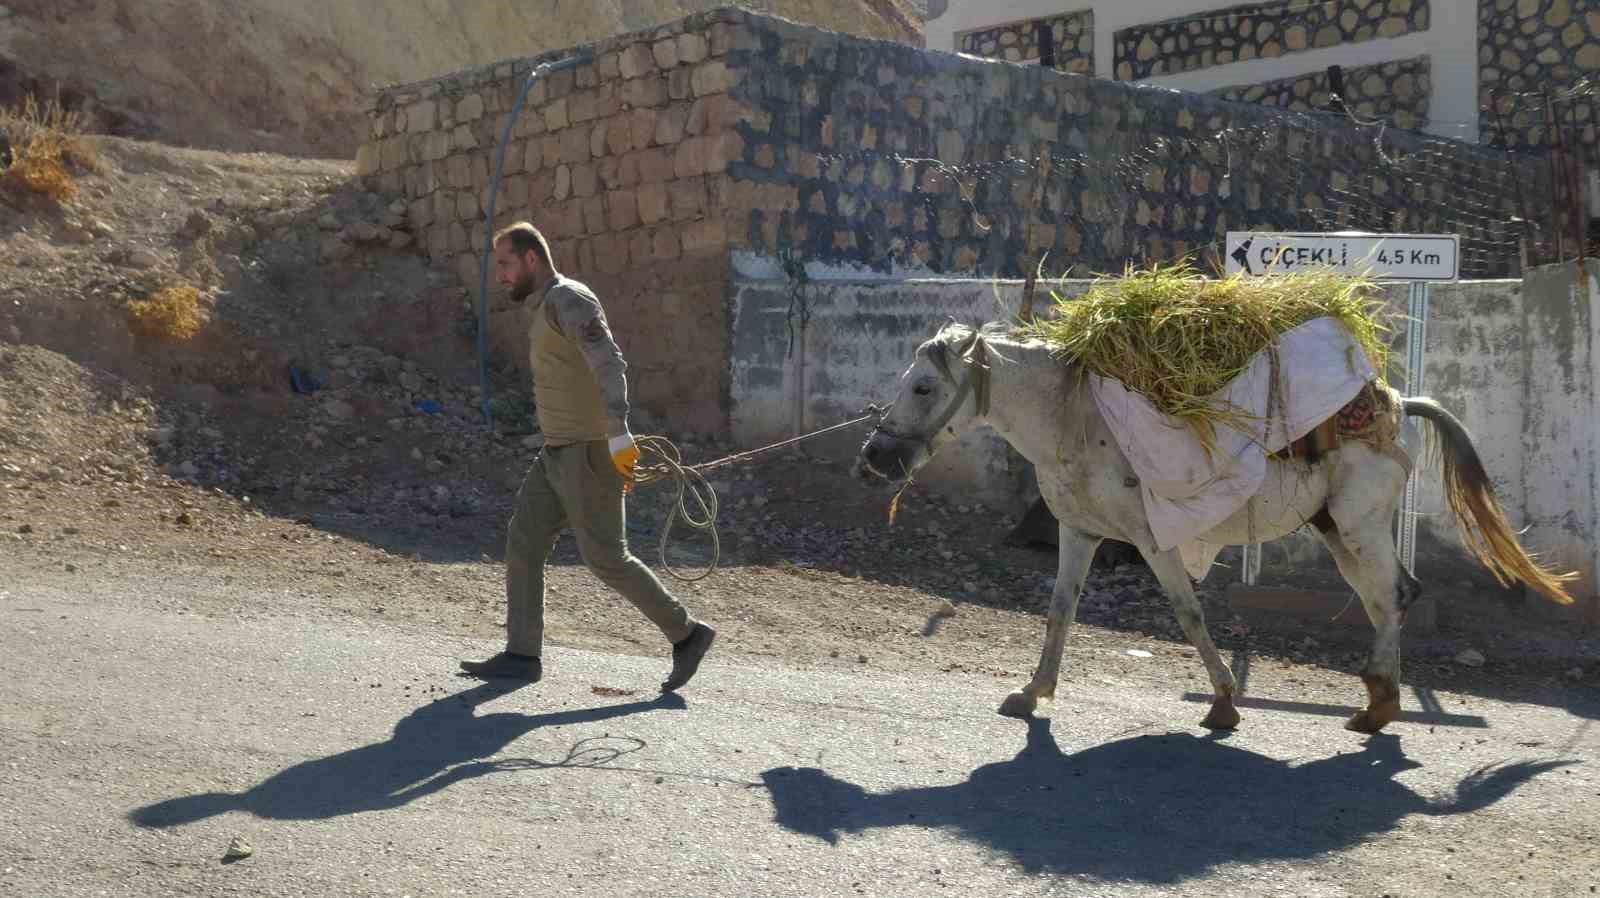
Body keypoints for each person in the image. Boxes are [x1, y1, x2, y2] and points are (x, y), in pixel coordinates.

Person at [459, 222, 715, 692]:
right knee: (525, 540)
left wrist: (618, 435)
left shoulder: (568, 300)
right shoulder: (542, 307)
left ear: (532, 259)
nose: (501, 275)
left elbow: (610, 363)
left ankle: (687, 634)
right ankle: (521, 655)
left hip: (589, 453)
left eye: (506, 264)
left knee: (606, 559)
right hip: (556, 453)